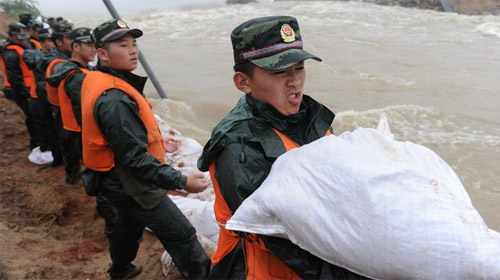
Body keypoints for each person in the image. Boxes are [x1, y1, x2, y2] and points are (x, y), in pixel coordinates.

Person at [198, 16, 369, 279]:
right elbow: (275, 235)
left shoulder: (312, 118)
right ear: (243, 82)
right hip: (263, 269)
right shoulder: (238, 146)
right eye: (279, 72)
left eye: (299, 68)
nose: (294, 82)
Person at [80, 19, 211, 279]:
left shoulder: (99, 79)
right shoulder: (114, 99)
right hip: (132, 185)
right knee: (181, 234)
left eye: (134, 43)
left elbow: (122, 139)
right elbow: (136, 160)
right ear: (102, 54)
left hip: (112, 179)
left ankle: (120, 270)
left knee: (128, 226)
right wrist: (182, 181)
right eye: (122, 44)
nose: (132, 50)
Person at [46, 27, 96, 184]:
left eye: (96, 45)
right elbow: (84, 110)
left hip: (66, 121)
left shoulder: (73, 68)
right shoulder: (76, 76)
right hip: (76, 127)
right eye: (89, 45)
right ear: (76, 47)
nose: (94, 50)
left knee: (70, 153)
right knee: (93, 164)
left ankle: (73, 176)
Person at [1, 22, 40, 150]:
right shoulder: (11, 53)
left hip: (27, 88)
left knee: (34, 116)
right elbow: (14, 78)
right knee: (32, 117)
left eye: (23, 37)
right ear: (10, 36)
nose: (22, 40)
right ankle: (36, 143)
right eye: (19, 37)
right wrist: (26, 95)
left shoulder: (20, 47)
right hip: (21, 90)